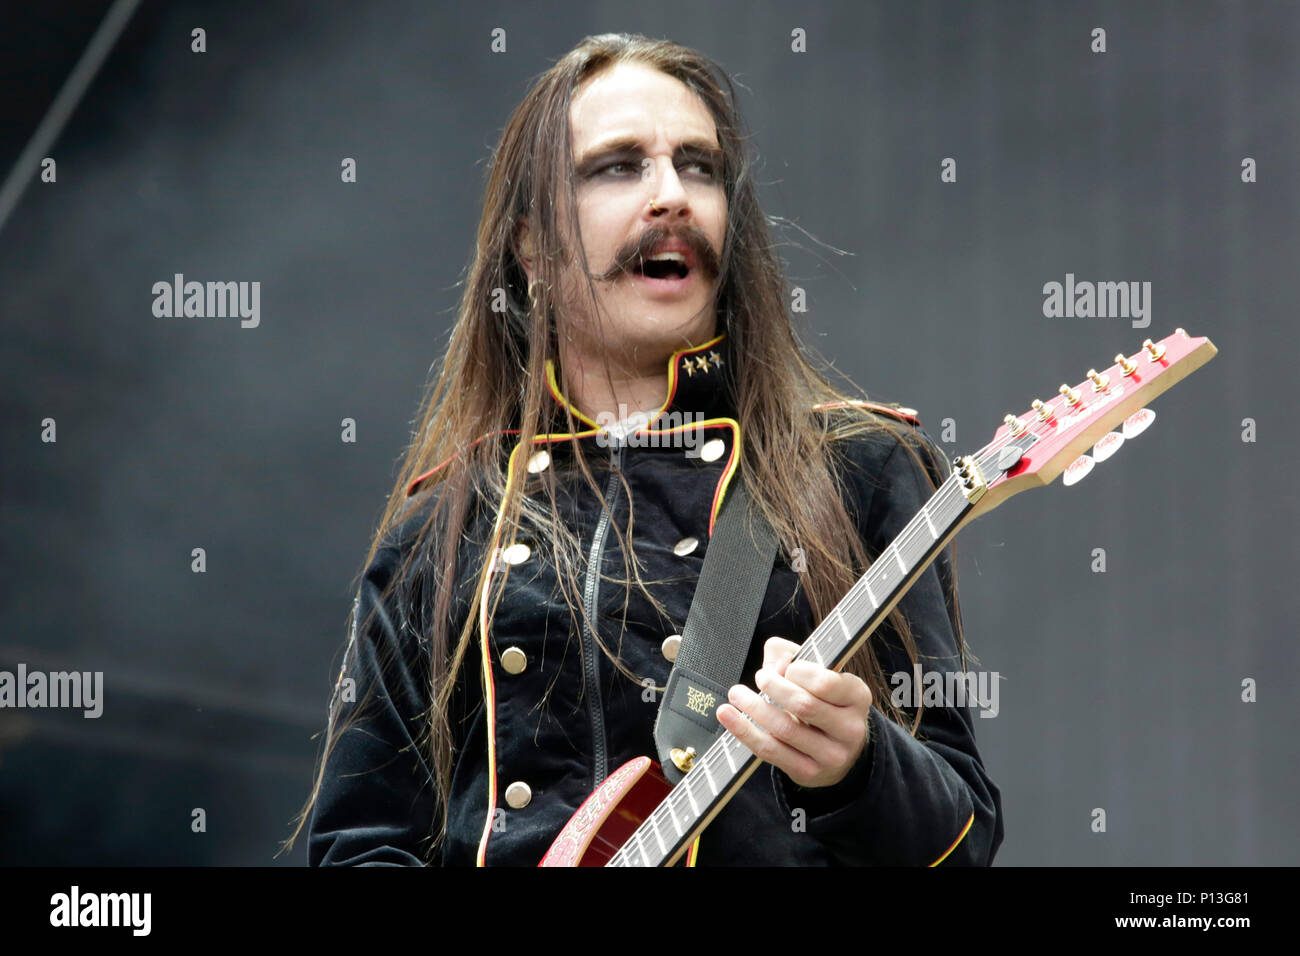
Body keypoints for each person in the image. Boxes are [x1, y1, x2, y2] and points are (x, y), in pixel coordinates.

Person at [293, 33, 1003, 866]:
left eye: (699, 167)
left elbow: (965, 836)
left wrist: (859, 766)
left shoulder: (859, 466)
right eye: (619, 166)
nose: (672, 195)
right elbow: (361, 842)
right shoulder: (441, 527)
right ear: (532, 246)